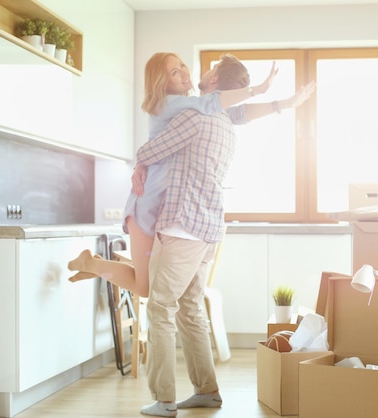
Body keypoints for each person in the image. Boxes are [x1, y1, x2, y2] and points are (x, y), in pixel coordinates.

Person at [134, 56, 315, 417]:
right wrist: (284, 103)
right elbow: (244, 112)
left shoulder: (193, 116)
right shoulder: (222, 120)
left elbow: (151, 151)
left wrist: (140, 159)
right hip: (208, 230)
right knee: (189, 309)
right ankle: (207, 390)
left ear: (214, 77)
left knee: (161, 308)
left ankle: (164, 399)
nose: (192, 72)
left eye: (203, 68)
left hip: (183, 226)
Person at [67, 53, 314, 299]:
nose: (184, 72)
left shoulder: (192, 106)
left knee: (151, 283)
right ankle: (92, 265)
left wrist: (285, 104)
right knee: (145, 288)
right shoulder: (169, 104)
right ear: (162, 83)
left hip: (164, 209)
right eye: (175, 72)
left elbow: (235, 114)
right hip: (146, 204)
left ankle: (94, 265)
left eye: (182, 65)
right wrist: (259, 89)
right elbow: (213, 105)